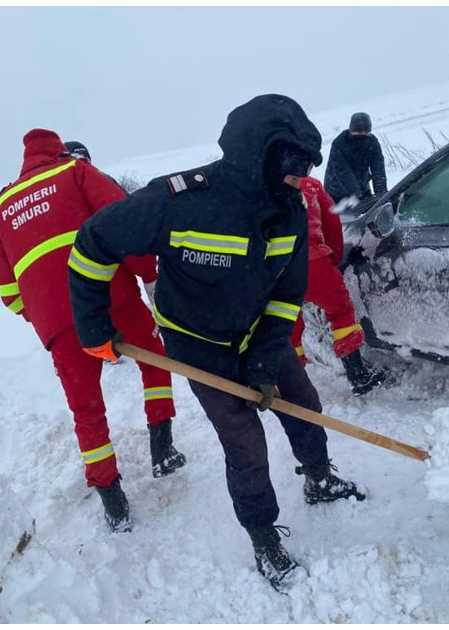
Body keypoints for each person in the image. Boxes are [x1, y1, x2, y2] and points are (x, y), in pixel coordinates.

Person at [68, 94, 365, 591]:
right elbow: (93, 243)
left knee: (301, 400)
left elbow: (288, 294)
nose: (302, 176)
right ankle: (263, 535)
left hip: (256, 329)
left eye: (307, 165)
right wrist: (94, 327)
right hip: (196, 340)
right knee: (243, 438)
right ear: (259, 154)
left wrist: (268, 360)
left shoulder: (287, 210)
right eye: (293, 163)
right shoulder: (178, 200)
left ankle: (318, 476)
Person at [0, 129, 185, 533]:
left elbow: (8, 292)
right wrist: (148, 273)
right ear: (58, 150)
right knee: (154, 358)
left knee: (85, 409)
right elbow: (125, 226)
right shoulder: (75, 172)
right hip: (111, 299)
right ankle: (162, 447)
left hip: (60, 326)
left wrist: (47, 314)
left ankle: (112, 499)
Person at [290, 174, 389, 395]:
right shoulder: (311, 186)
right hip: (313, 263)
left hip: (277, 269)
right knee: (341, 311)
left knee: (287, 326)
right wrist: (332, 262)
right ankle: (358, 375)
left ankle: (287, 383)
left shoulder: (261, 186)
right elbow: (332, 225)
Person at [323, 112, 387, 203]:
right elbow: (343, 172)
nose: (363, 135)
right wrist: (357, 194)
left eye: (366, 132)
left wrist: (382, 192)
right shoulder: (339, 144)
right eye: (359, 132)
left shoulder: (372, 142)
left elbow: (378, 169)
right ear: (351, 130)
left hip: (363, 185)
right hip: (336, 190)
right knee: (343, 216)